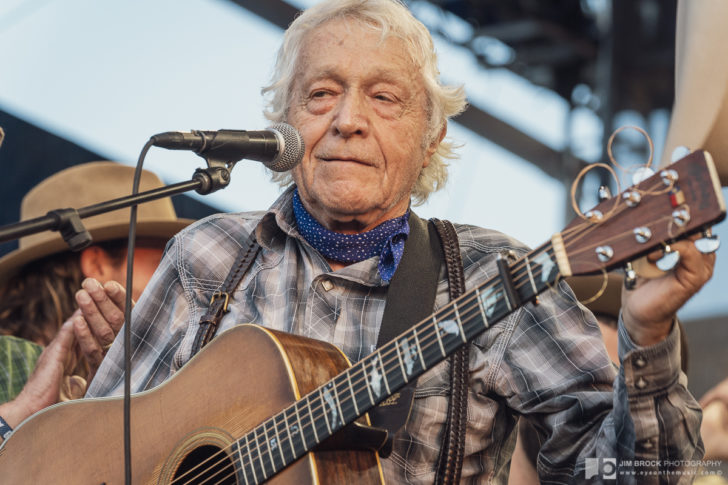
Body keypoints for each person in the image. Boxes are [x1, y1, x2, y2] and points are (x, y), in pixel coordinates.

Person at [83, 1, 714, 483]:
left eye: (384, 98)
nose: (348, 120)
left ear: (431, 137)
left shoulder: (491, 275)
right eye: (321, 94)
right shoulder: (209, 254)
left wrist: (649, 337)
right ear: (286, 122)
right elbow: (85, 455)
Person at [0, 161, 191, 436]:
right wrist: (20, 412)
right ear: (98, 265)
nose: (178, 274)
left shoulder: (168, 377)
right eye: (163, 259)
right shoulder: (7, 359)